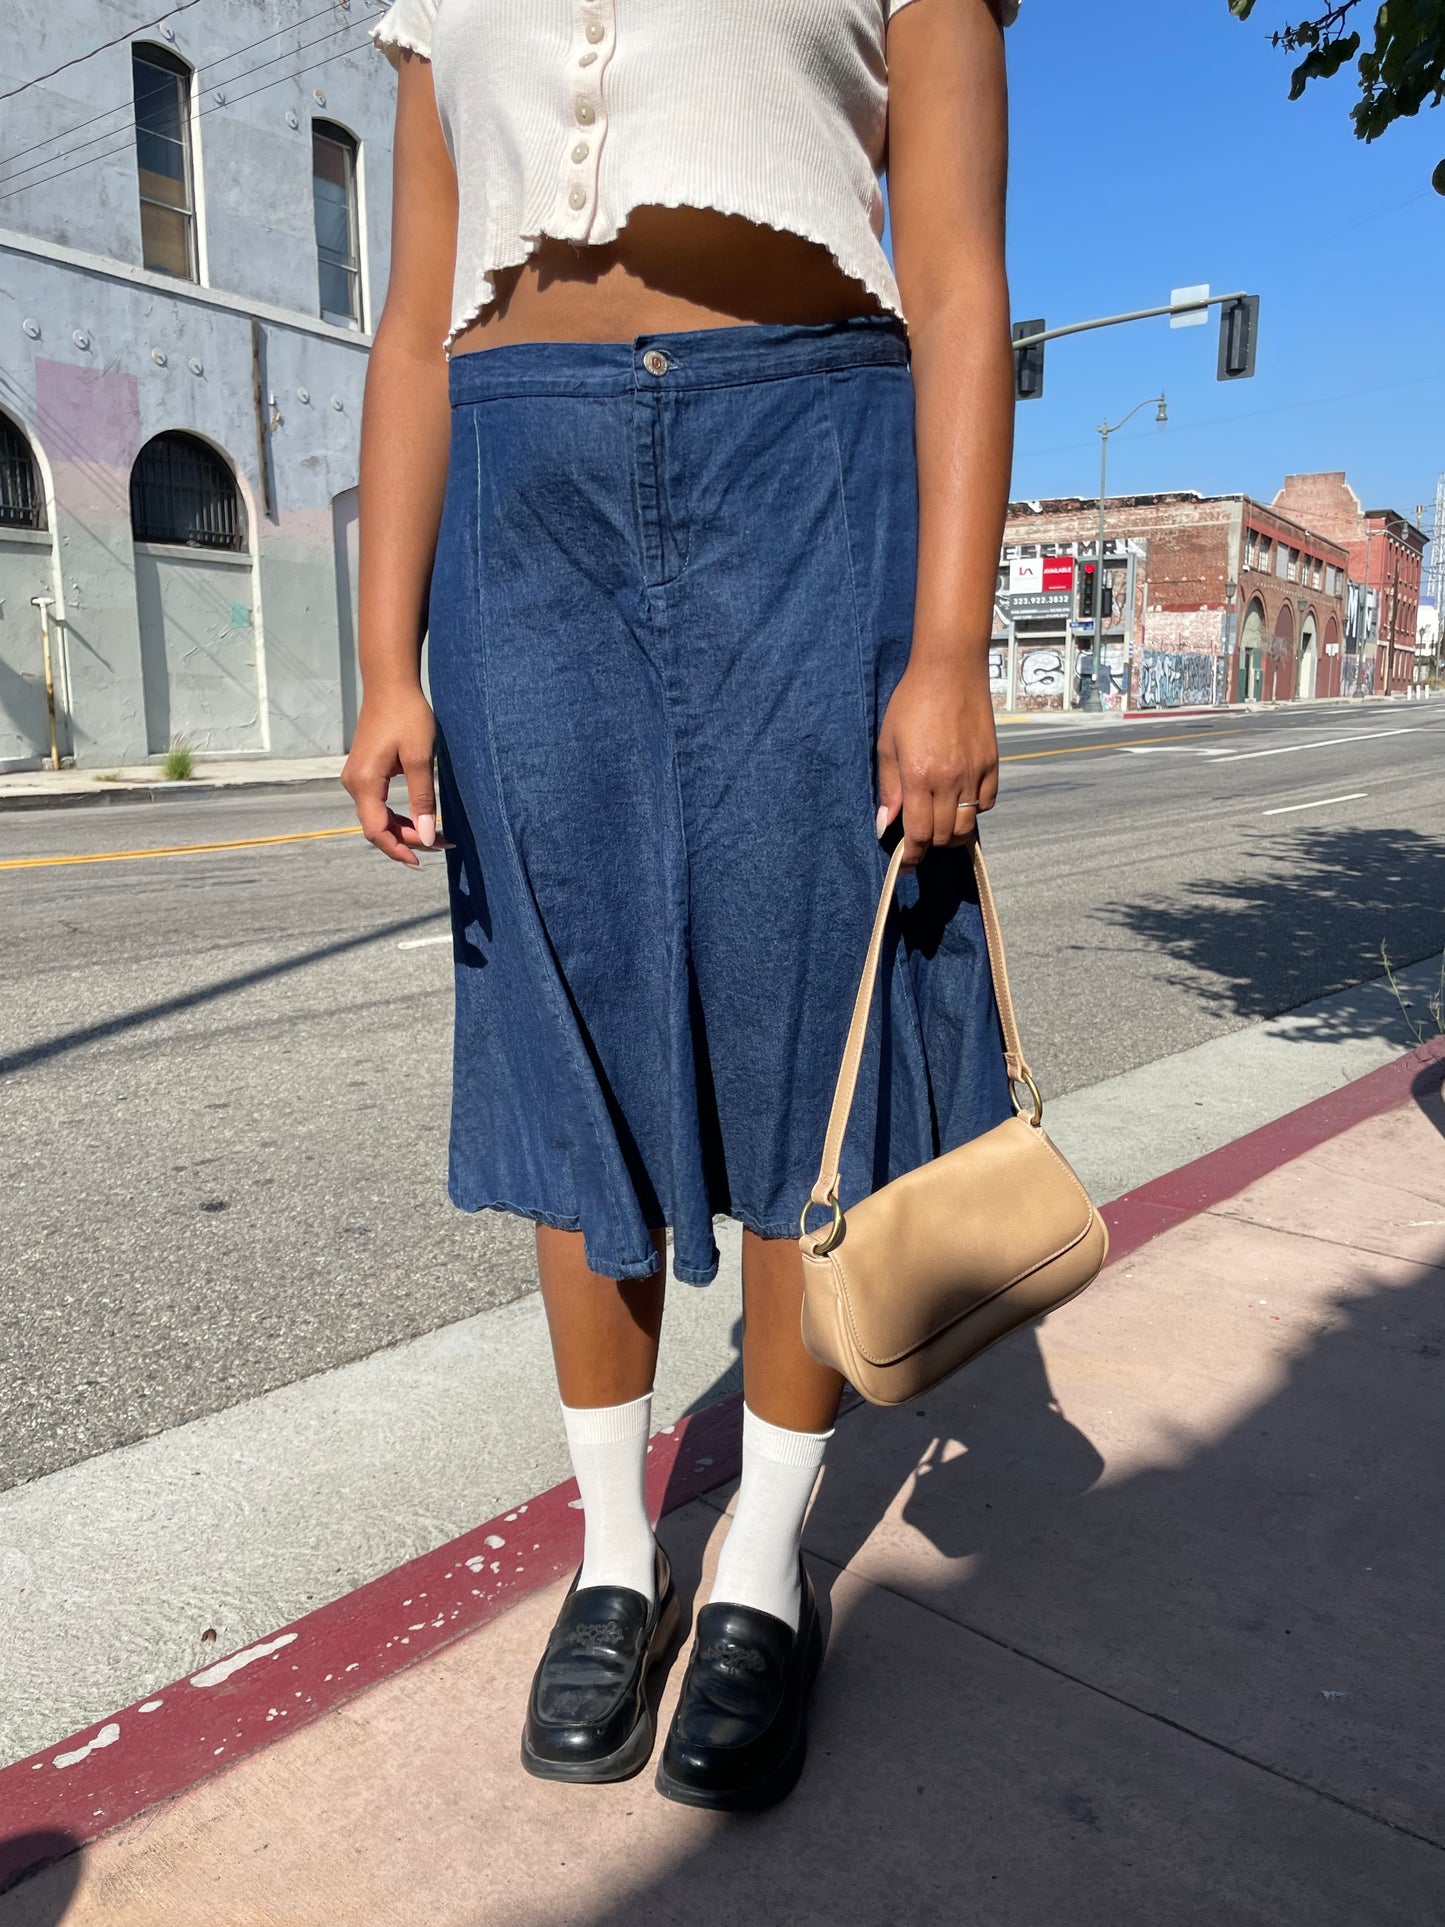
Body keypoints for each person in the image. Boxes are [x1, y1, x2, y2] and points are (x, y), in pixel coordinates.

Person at [345, 0, 1018, 1812]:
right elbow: (413, 323)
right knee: (561, 1019)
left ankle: (760, 1559)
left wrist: (949, 645)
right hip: (516, 472)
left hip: (807, 461)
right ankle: (614, 1552)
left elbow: (955, 276)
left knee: (808, 1033)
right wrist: (379, 656)